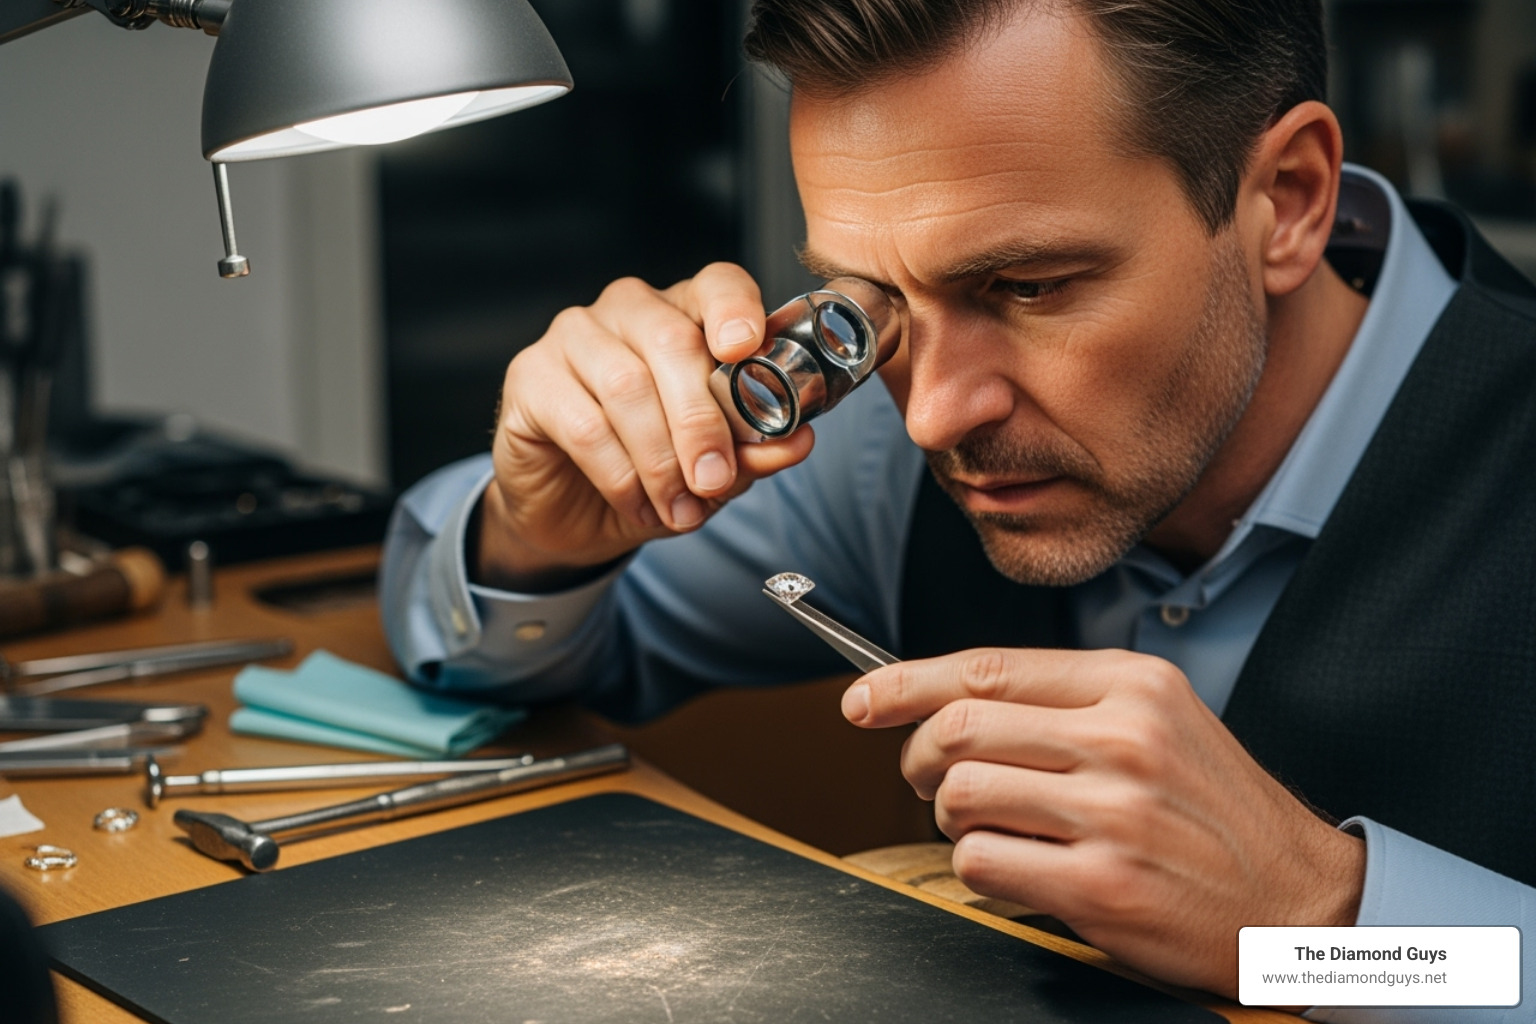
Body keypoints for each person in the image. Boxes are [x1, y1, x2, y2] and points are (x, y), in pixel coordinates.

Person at [381, 0, 1536, 1017]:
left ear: (1287, 200)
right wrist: (538, 531)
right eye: (872, 302)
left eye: (1026, 287)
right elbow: (492, 654)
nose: (933, 414)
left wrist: (1320, 925)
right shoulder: (883, 459)